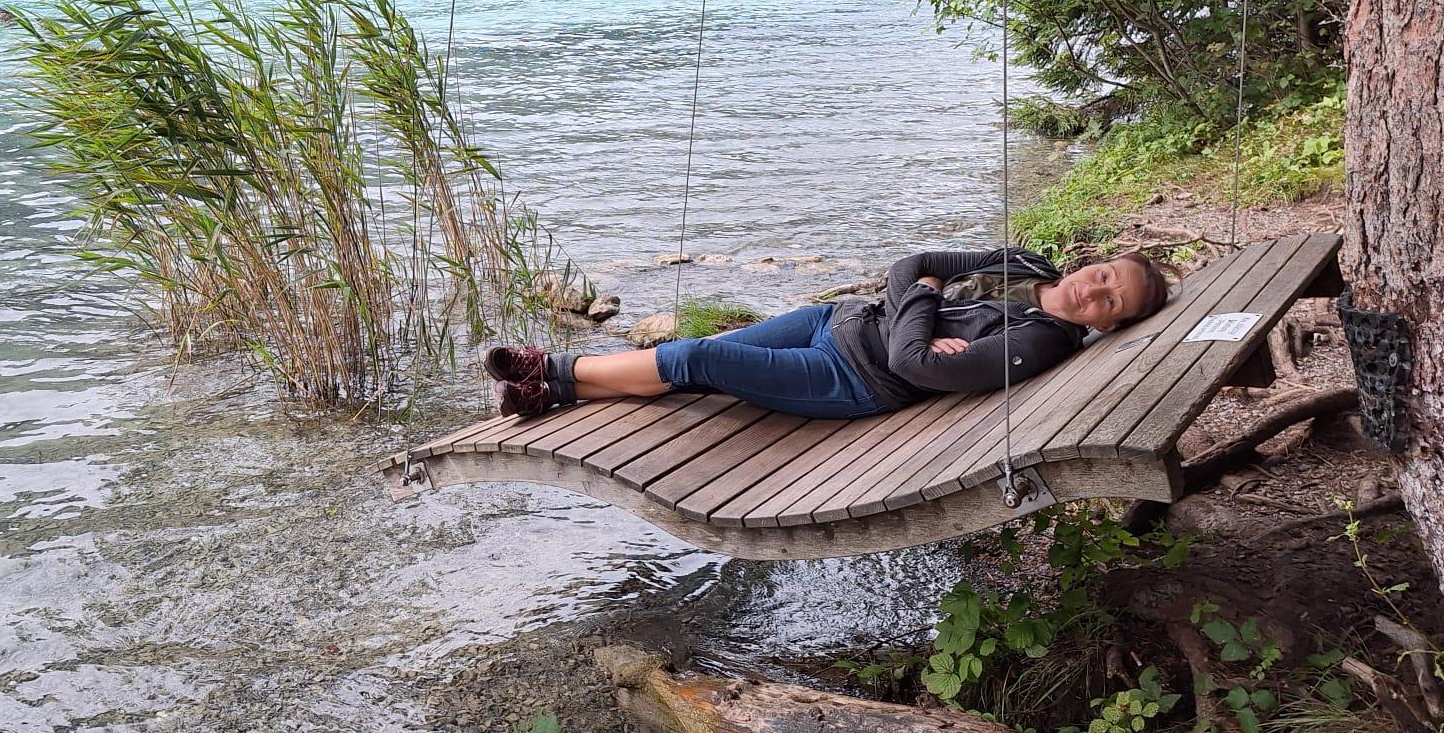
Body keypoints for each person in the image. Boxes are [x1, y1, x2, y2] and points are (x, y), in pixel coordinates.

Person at [484, 246, 1170, 419]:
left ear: (1109, 324)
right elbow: (910, 265)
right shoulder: (1028, 262)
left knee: (695, 357)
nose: (1094, 291)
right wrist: (920, 296)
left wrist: (921, 298)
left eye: (1111, 302)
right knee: (699, 361)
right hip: (834, 320)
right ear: (1096, 263)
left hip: (852, 378)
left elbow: (915, 365)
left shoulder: (1040, 342)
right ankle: (557, 396)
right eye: (1105, 275)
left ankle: (552, 369)